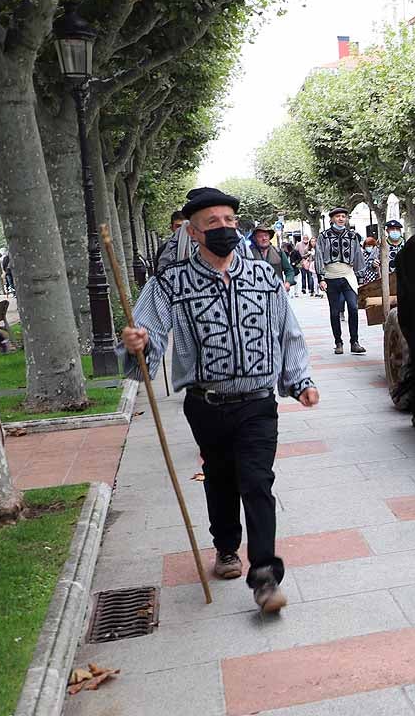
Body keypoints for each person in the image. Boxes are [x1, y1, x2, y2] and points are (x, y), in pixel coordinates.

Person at [118, 188, 318, 614]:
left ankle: (264, 575)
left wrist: (299, 380)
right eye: (213, 223)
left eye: (230, 220)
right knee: (220, 477)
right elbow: (146, 332)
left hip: (258, 402)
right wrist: (138, 343)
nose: (225, 228)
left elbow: (289, 331)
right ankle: (226, 546)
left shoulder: (264, 276)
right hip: (205, 403)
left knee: (258, 481)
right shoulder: (170, 282)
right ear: (193, 232)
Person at [315, 207, 369, 354]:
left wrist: (361, 277)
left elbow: (358, 255)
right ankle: (338, 342)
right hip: (331, 277)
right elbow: (319, 256)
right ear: (332, 219)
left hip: (348, 276)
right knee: (334, 312)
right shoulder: (323, 236)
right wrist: (321, 278)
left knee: (353, 307)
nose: (341, 219)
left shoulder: (352, 236)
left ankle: (355, 342)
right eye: (337, 216)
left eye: (343, 216)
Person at [250, 224, 296, 291]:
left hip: (277, 291)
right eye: (260, 236)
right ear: (255, 239)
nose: (264, 238)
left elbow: (289, 270)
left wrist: (288, 283)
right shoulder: (248, 253)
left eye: (266, 236)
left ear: (269, 237)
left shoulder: (278, 252)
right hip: (256, 293)